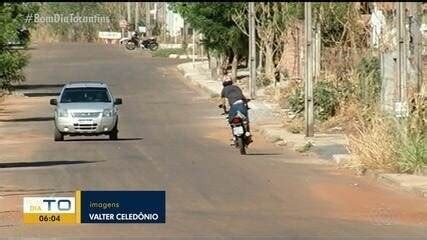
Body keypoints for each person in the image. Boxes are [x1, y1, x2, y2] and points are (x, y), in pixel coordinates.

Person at [219, 75, 251, 145]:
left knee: (231, 121)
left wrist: (224, 110)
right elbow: (243, 97)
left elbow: (223, 103)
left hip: (233, 107)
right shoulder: (237, 87)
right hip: (241, 105)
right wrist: (247, 103)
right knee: (246, 120)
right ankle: (247, 133)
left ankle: (234, 137)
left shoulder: (224, 90)